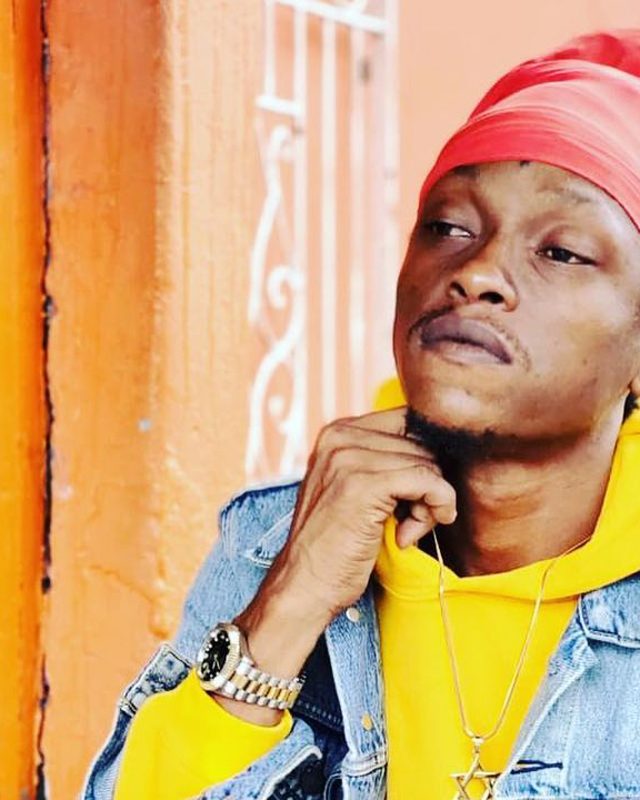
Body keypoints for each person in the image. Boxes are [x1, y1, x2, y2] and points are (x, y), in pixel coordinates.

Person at [85, 30, 640, 800]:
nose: (478, 272)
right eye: (449, 227)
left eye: (562, 251)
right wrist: (290, 600)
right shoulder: (275, 541)